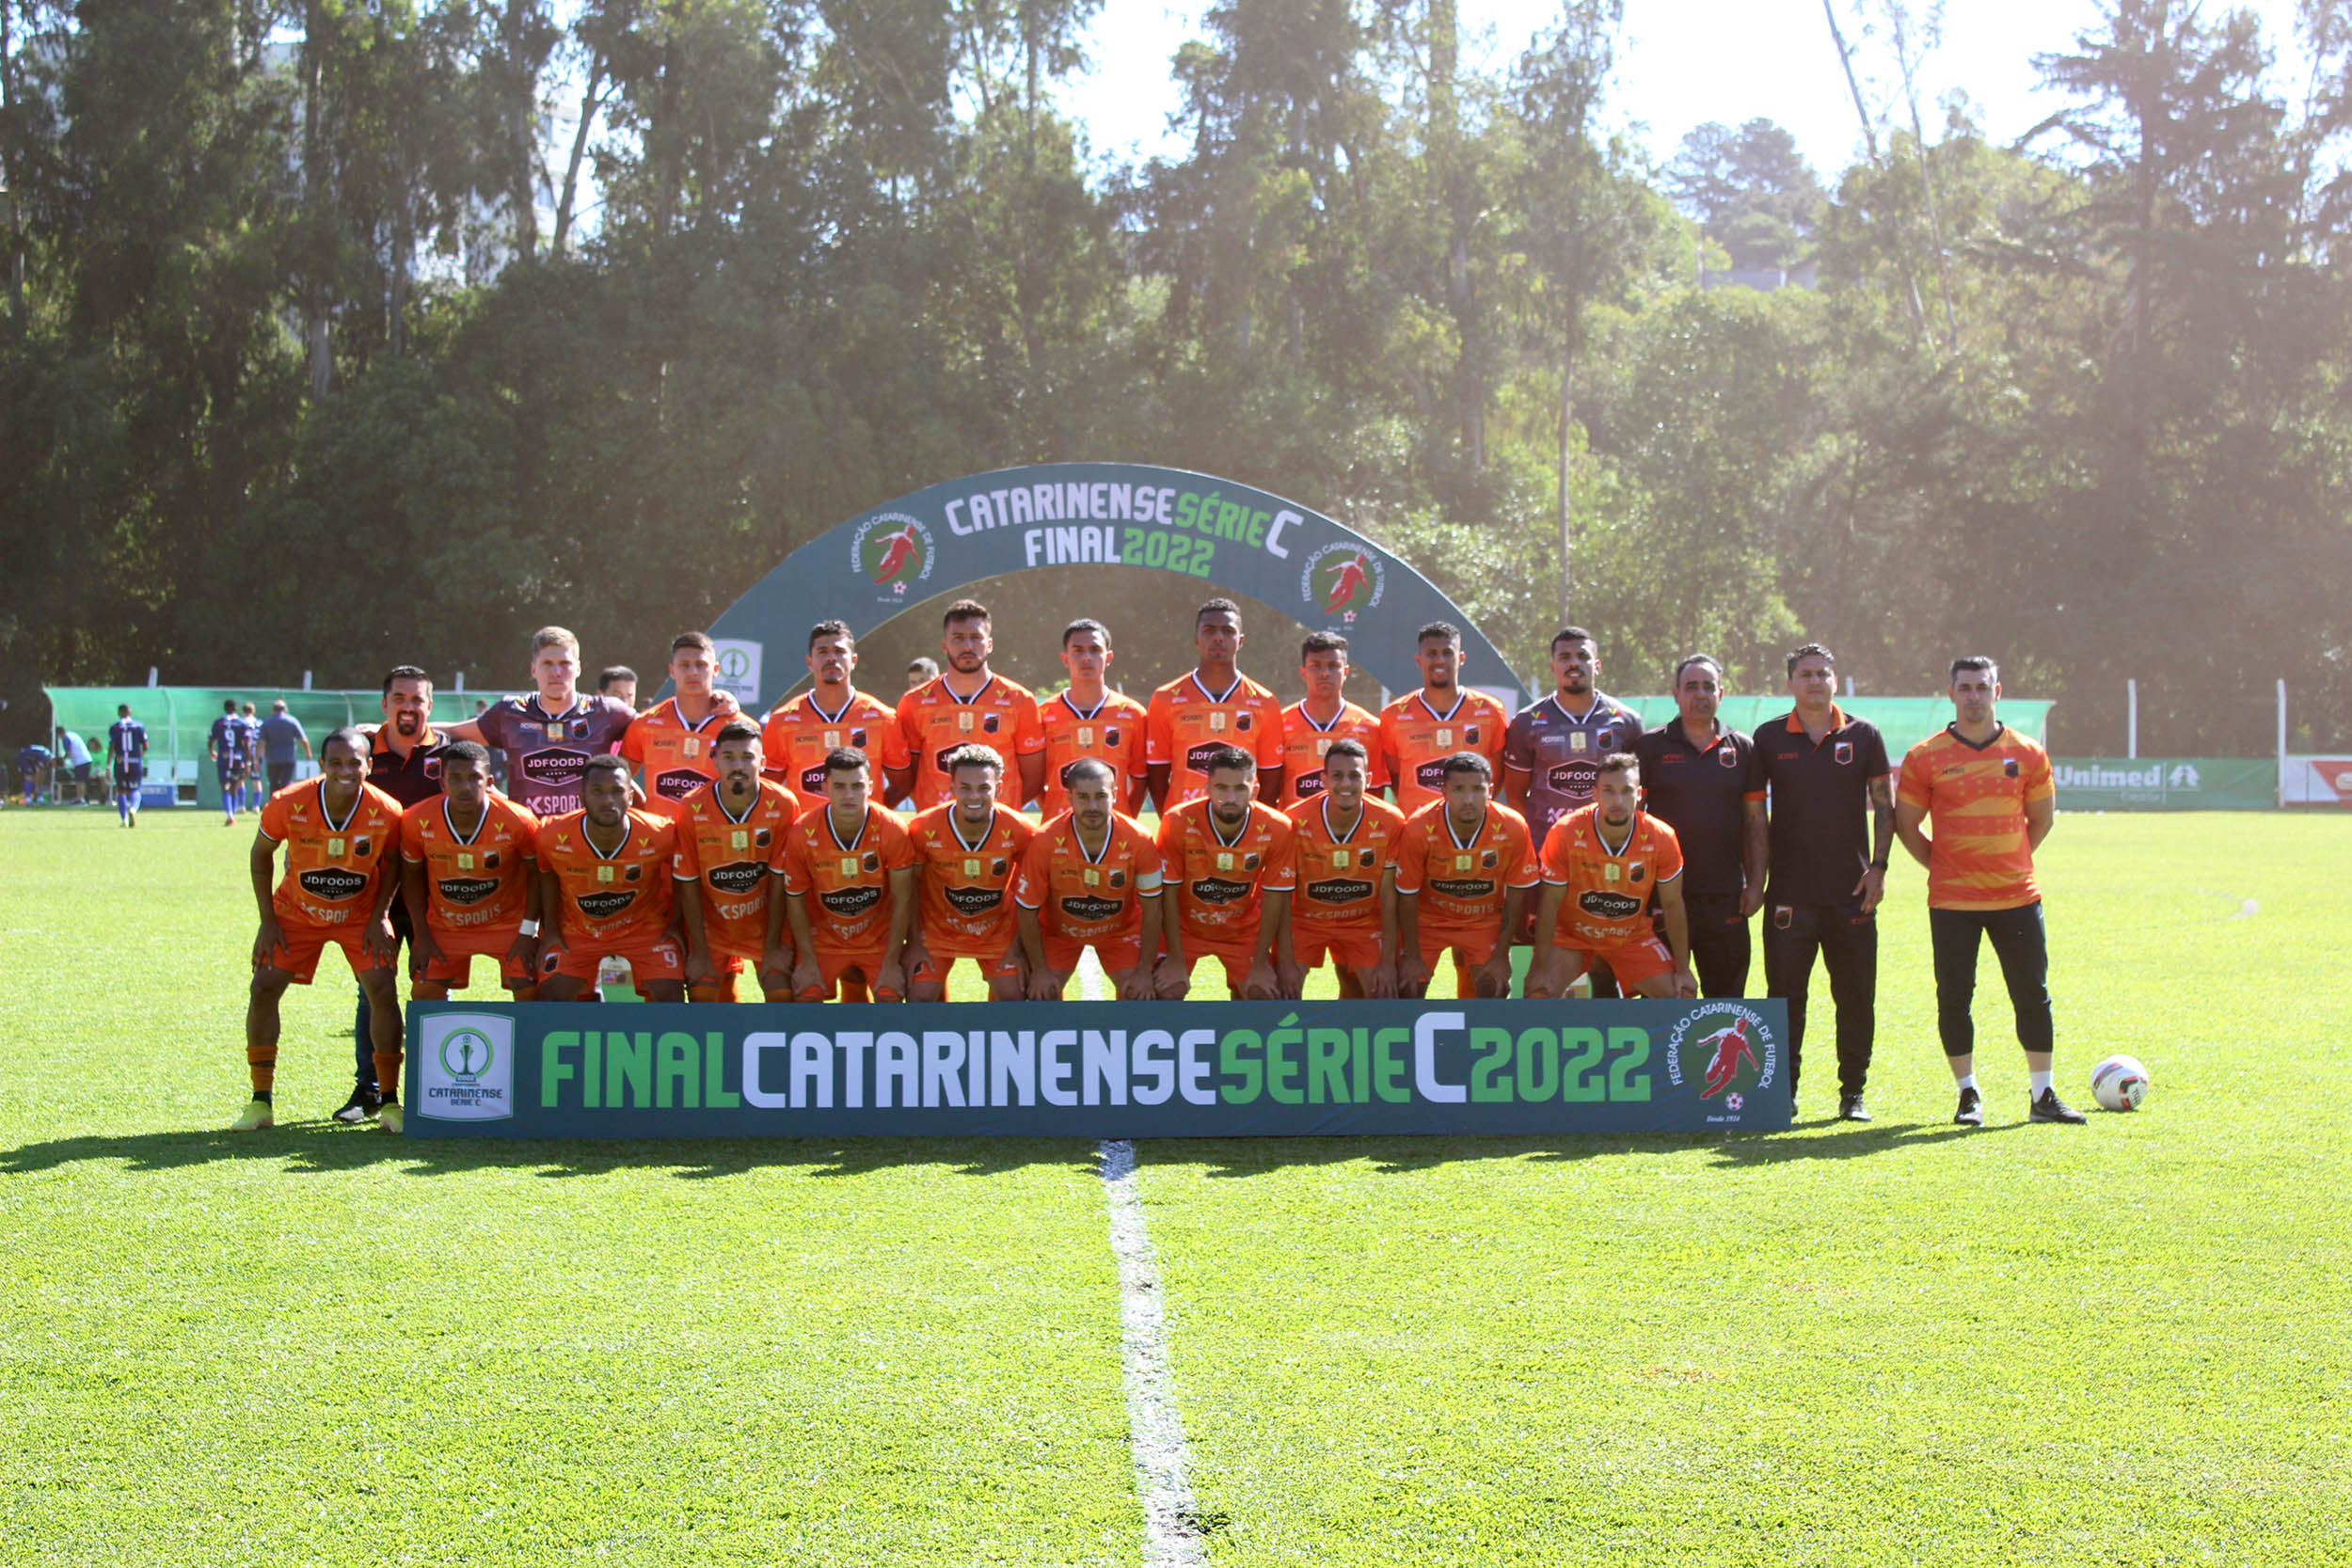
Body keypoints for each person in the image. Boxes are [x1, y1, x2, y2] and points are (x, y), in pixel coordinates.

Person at [1896, 656, 2084, 1126]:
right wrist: (1942, 864)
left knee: (2032, 994)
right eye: (1965, 687)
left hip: (2017, 897)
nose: (1974, 695)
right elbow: (1906, 825)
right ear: (1951, 693)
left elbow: (2042, 820)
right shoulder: (1926, 756)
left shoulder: (2027, 752)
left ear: (1997, 692)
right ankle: (1968, 1095)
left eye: (1983, 687)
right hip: (1952, 901)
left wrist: (2011, 861)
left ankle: (2042, 1095)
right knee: (1955, 998)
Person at [235, 727, 405, 1132]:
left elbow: (396, 862)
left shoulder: (388, 810)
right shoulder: (287, 803)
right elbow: (261, 856)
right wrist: (268, 920)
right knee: (263, 987)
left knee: (382, 988)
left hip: (359, 914)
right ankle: (261, 1102)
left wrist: (380, 913)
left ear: (369, 765)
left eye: (354, 762)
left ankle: (390, 1102)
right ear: (321, 765)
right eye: (336, 763)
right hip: (296, 913)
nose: (345, 770)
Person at [1753, 642, 1895, 1120]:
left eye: (1823, 674)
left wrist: (1879, 867)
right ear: (1790, 683)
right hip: (1789, 895)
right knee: (1784, 998)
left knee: (1855, 995)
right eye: (1806, 674)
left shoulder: (1864, 734)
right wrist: (1757, 878)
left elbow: (1885, 805)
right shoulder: (1768, 738)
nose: (1815, 681)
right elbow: (1753, 815)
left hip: (1851, 894)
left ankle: (1852, 1093)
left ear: (1836, 680)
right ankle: (1783, 1093)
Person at [1503, 626, 1645, 995]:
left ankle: (1608, 1035)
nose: (1574, 664)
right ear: (1552, 666)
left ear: (1596, 664)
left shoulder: (1625, 721)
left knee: (1604, 959)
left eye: (1582, 656)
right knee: (1539, 954)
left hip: (1606, 860)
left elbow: (1637, 796)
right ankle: (1535, 1036)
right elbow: (1516, 798)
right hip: (1548, 859)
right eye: (1565, 657)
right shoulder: (1527, 722)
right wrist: (1533, 851)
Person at [341, 665, 452, 1124]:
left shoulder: (449, 754)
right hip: (377, 898)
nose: (409, 707)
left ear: (430, 706)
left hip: (434, 896)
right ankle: (368, 1090)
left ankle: (436, 1088)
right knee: (374, 991)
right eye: (400, 698)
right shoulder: (362, 752)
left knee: (434, 988)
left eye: (418, 699)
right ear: (384, 704)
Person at [1632, 656, 1766, 998]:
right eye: (1691, 686)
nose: (1700, 694)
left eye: (1708, 686)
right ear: (1676, 694)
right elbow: (1632, 820)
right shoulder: (1649, 747)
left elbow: (1755, 822)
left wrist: (1755, 883)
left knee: (1726, 1000)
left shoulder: (1743, 748)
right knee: (1662, 1003)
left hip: (1725, 898)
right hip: (1662, 896)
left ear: (1721, 694)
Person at [1527, 752, 1698, 1001]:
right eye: (1609, 790)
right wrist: (1540, 968)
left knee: (1681, 996)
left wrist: (1683, 970)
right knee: (1539, 994)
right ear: (1595, 793)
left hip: (1630, 937)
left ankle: (1636, 1036)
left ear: (1639, 794)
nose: (1618, 800)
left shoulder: (1661, 836)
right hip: (1572, 936)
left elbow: (1672, 904)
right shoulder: (1566, 832)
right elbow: (1550, 902)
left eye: (1627, 791)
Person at [532, 754, 687, 1003]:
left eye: (617, 791)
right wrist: (550, 930)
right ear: (582, 798)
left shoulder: (662, 833)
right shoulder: (550, 833)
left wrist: (676, 924)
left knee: (671, 998)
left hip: (645, 932)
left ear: (631, 797)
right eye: (597, 791)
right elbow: (546, 873)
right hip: (578, 932)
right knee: (552, 999)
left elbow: (685, 877)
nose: (607, 800)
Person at [770, 748, 918, 1002]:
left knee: (890, 996)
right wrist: (806, 960)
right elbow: (795, 898)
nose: (849, 795)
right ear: (825, 787)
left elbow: (903, 899)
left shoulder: (893, 829)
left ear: (870, 787)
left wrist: (892, 962)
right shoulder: (802, 832)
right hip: (824, 941)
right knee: (807, 996)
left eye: (857, 786)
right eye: (839, 786)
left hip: (878, 942)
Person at [670, 720, 803, 1003]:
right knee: (703, 995)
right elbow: (688, 882)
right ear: (715, 760)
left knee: (782, 991)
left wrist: (772, 947)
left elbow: (781, 877)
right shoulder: (692, 806)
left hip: (767, 923)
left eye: (747, 757)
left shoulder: (782, 803)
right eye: (728, 757)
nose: (738, 766)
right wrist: (700, 953)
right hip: (712, 926)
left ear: (763, 762)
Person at [399, 741, 542, 1003]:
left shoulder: (518, 820)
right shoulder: (415, 819)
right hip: (446, 925)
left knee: (530, 991)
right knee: (424, 993)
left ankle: (526, 1045)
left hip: (507, 923)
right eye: (455, 778)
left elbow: (538, 875)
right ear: (442, 783)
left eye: (474, 777)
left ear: (488, 781)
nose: (465, 786)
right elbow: (410, 877)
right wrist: (421, 934)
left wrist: (528, 931)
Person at [443, 627, 637, 817]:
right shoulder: (509, 712)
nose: (556, 672)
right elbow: (454, 732)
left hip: (586, 839)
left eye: (564, 663)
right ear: (533, 669)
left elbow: (653, 730)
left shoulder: (607, 712)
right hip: (528, 837)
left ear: (578, 668)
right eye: (547, 663)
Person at [1013, 758, 1166, 1000]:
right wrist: (1040, 970)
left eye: (1100, 795)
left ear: (1115, 795)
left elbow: (1153, 908)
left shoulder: (1139, 839)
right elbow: (1027, 909)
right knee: (1039, 993)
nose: (1092, 805)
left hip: (1120, 931)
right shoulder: (1045, 840)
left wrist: (1144, 971)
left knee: (1138, 993)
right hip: (1058, 932)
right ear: (1069, 797)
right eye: (1083, 797)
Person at [1153, 747, 1295, 1000]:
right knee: (1164, 991)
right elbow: (1167, 893)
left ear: (1255, 790)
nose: (1230, 798)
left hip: (1242, 930)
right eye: (1221, 788)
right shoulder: (1177, 821)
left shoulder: (1277, 827)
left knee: (1263, 994)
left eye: (1240, 789)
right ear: (1207, 788)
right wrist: (1174, 959)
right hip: (1185, 928)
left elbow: (1276, 897)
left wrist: (1262, 962)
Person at [1392, 752, 1537, 999]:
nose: (1468, 799)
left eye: (1478, 789)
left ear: (1490, 791)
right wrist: (1412, 957)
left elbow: (1516, 895)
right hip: (1428, 921)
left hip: (1482, 920)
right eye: (1458, 790)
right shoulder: (1418, 827)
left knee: (1495, 985)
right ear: (1444, 791)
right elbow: (1406, 896)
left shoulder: (1513, 826)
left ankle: (1479, 1038)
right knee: (1408, 986)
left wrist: (1502, 955)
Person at [903, 745, 1036, 1002]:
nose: (974, 796)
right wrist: (914, 944)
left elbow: (1031, 893)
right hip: (937, 933)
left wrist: (1019, 944)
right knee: (918, 999)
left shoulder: (1021, 830)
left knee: (1014, 998)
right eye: (965, 788)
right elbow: (909, 890)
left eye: (984, 788)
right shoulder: (922, 828)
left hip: (997, 933)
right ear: (951, 788)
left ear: (998, 788)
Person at [893, 601, 1046, 812]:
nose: (967, 646)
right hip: (935, 833)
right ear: (944, 645)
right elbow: (908, 780)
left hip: (1000, 833)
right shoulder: (915, 702)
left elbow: (1034, 781)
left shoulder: (1020, 700)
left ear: (989, 644)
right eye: (958, 638)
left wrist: (995, 814)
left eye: (976, 637)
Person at [1280, 738, 1405, 998]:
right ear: (1323, 780)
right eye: (1337, 776)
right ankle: (1290, 1038)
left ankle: (1358, 1036)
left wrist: (1387, 963)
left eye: (1354, 776)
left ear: (1369, 779)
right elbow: (1279, 892)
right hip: (1306, 921)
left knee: (1384, 992)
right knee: (1282, 990)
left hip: (1362, 922)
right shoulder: (1293, 820)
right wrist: (1284, 960)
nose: (1346, 784)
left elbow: (1388, 895)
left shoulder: (1391, 821)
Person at [1145, 598, 1285, 811]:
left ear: (1241, 640)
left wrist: (1253, 825)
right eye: (1209, 630)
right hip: (1185, 825)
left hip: (1242, 827)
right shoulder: (1165, 698)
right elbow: (1156, 773)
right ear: (1196, 638)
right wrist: (1171, 820)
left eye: (1228, 631)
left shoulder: (1265, 702)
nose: (1218, 637)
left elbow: (1271, 777)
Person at [761, 620, 912, 800]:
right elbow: (768, 789)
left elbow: (902, 784)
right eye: (822, 652)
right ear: (809, 662)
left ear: (854, 660)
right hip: (807, 828)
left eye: (839, 651)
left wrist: (872, 817)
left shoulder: (882, 718)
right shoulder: (782, 721)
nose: (831, 658)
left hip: (866, 828)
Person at [1379, 622, 1509, 816]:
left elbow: (1498, 775)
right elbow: (1395, 776)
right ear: (1418, 660)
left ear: (1461, 658)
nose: (1439, 660)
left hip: (1470, 825)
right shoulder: (1393, 715)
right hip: (1417, 830)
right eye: (1431, 654)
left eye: (1447, 653)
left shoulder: (1490, 711)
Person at [1037, 618, 1149, 817]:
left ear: (1109, 657)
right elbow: (1034, 781)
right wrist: (1054, 812)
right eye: (1078, 651)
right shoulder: (1043, 714)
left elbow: (1141, 780)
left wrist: (1125, 819)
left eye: (1095, 650)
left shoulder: (1134, 714)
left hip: (1113, 829)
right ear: (1065, 658)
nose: (1086, 657)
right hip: (1059, 832)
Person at [620, 631, 731, 816]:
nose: (693, 671)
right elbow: (617, 780)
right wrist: (644, 814)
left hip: (714, 840)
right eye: (684, 665)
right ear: (672, 671)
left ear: (716, 670)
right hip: (662, 840)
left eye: (701, 665)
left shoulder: (739, 727)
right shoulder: (645, 725)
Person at [1280, 632, 1388, 805]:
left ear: (1345, 672)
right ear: (1303, 672)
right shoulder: (1280, 724)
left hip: (1349, 831)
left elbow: (1374, 795)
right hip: (1296, 830)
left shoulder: (1371, 728)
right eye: (1316, 666)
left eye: (1333, 666)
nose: (1324, 673)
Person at [208, 699, 248, 825]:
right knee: (234, 786)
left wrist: (211, 751)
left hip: (224, 757)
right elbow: (246, 744)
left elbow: (210, 740)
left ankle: (230, 814)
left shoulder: (219, 722)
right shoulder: (242, 723)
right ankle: (233, 815)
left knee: (225, 785)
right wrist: (248, 763)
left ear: (225, 708)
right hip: (237, 758)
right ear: (236, 709)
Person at [259, 700, 312, 793]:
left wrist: (257, 757)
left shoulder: (267, 722)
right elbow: (303, 739)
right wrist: (308, 753)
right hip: (288, 758)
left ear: (273, 710)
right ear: (285, 709)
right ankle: (286, 804)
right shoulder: (292, 721)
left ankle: (275, 805)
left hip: (272, 759)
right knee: (286, 783)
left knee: (273, 783)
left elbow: (260, 742)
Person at [108, 705, 148, 826]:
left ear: (119, 713)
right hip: (135, 761)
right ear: (129, 712)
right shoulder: (139, 726)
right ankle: (133, 809)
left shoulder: (115, 727)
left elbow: (112, 747)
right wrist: (140, 755)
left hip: (121, 762)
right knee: (135, 789)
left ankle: (124, 819)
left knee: (120, 791)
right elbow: (145, 745)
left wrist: (108, 765)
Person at [238, 703, 266, 810]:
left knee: (240, 779)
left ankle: (241, 805)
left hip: (243, 754)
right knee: (256, 780)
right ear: (253, 711)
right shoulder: (260, 723)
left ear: (243, 711)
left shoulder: (240, 722)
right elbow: (263, 740)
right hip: (257, 754)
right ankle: (256, 806)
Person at [56, 727, 92, 805]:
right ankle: (82, 798)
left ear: (59, 734)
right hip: (86, 759)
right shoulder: (72, 734)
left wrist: (62, 759)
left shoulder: (66, 738)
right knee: (81, 781)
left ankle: (81, 799)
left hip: (80, 761)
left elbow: (68, 753)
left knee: (79, 781)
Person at [15, 740, 51, 805]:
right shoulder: (45, 758)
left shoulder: (48, 757)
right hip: (24, 757)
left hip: (31, 759)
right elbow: (38, 772)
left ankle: (39, 797)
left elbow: (41, 774)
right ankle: (28, 798)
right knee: (29, 776)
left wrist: (39, 783)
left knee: (37, 776)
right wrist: (36, 787)